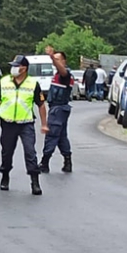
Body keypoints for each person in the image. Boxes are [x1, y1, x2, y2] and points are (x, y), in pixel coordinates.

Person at [0, 55, 49, 195]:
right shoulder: (4, 82)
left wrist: (44, 124)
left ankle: (35, 182)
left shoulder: (33, 84)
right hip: (8, 122)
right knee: (7, 152)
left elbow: (41, 105)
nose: (14, 68)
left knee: (30, 152)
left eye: (17, 65)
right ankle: (5, 176)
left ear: (24, 68)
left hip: (26, 123)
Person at [39, 46, 74, 174]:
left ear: (64, 61)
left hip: (58, 109)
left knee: (52, 135)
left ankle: (44, 162)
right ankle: (67, 162)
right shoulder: (58, 75)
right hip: (60, 109)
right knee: (61, 137)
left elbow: (63, 71)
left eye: (59, 60)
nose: (55, 62)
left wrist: (53, 57)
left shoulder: (65, 74)